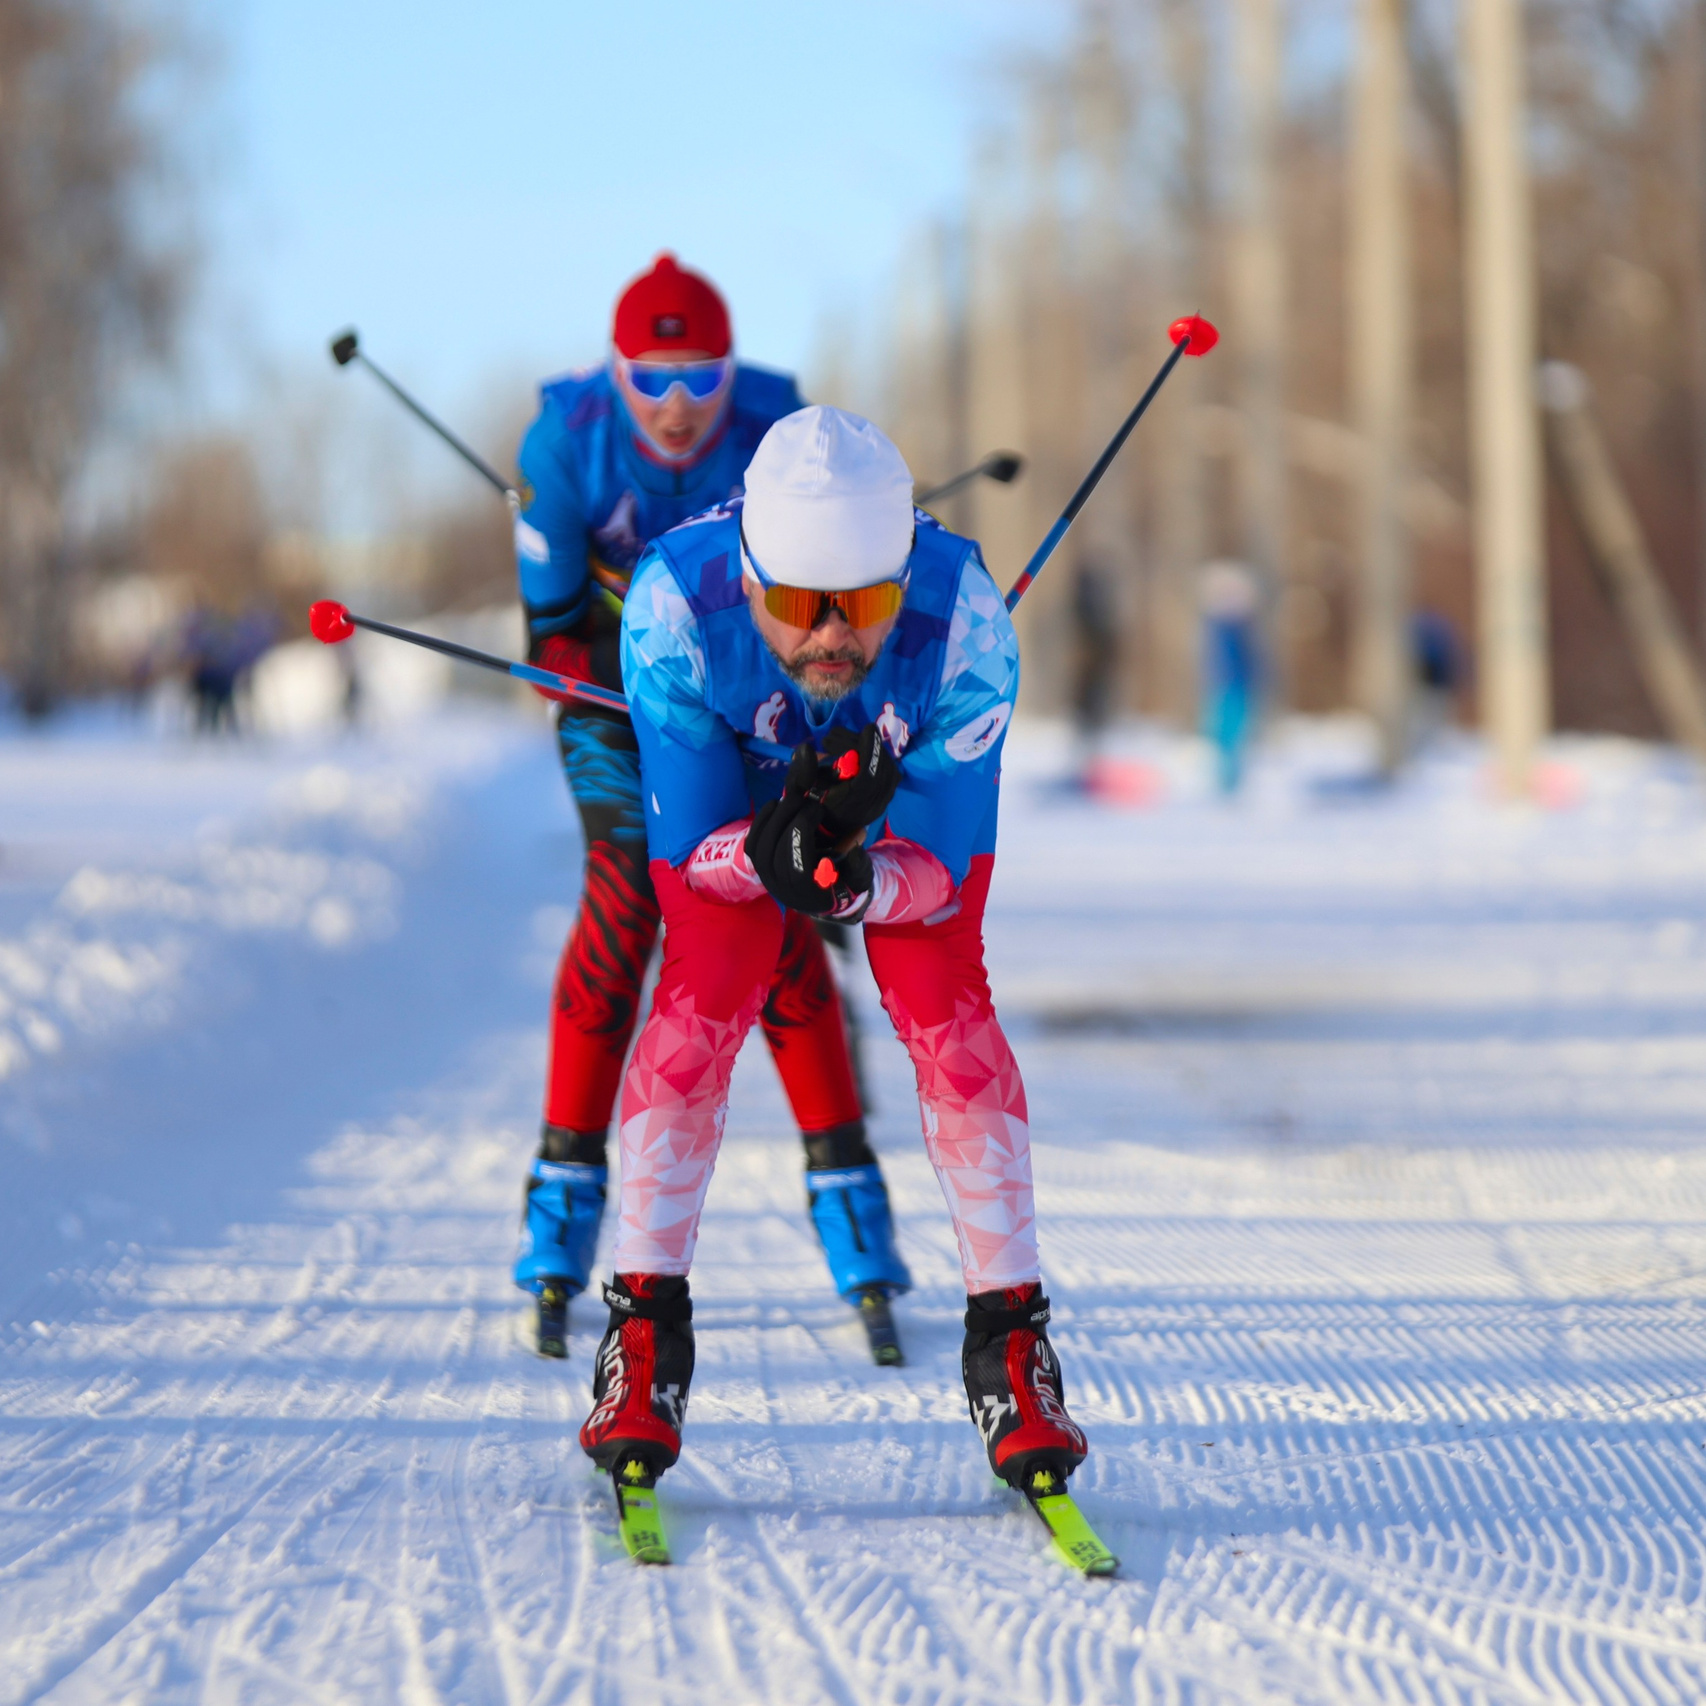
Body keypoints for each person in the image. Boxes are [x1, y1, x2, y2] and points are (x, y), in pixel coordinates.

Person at [577, 405, 1089, 1495]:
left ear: (900, 577)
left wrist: (852, 874)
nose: (830, 636)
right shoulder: (671, 607)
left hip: (893, 809)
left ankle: (1010, 1339)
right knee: (700, 1002)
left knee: (947, 1012)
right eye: (800, 605)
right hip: (734, 792)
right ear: (750, 579)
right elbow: (688, 866)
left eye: (860, 604)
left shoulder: (963, 627)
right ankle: (643, 1333)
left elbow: (939, 884)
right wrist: (769, 853)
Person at [510, 257, 909, 1360]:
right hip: (615, 701)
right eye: (651, 376)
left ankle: (854, 1217)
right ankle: (560, 1216)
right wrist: (619, 642)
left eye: (701, 376)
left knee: (772, 910)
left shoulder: (778, 430)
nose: (678, 405)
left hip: (749, 700)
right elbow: (549, 641)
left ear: (734, 374)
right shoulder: (561, 447)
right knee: (626, 902)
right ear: (614, 372)